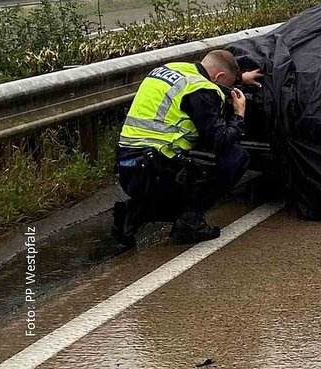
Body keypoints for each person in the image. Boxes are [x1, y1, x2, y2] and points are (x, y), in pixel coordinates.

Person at [112, 50, 263, 247]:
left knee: (192, 159)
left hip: (129, 167)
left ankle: (135, 214)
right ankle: (190, 222)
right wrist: (239, 115)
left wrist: (241, 78)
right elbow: (221, 140)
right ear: (218, 77)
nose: (227, 90)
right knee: (235, 157)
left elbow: (212, 76)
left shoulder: (171, 69)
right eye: (228, 85)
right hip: (153, 173)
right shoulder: (201, 90)